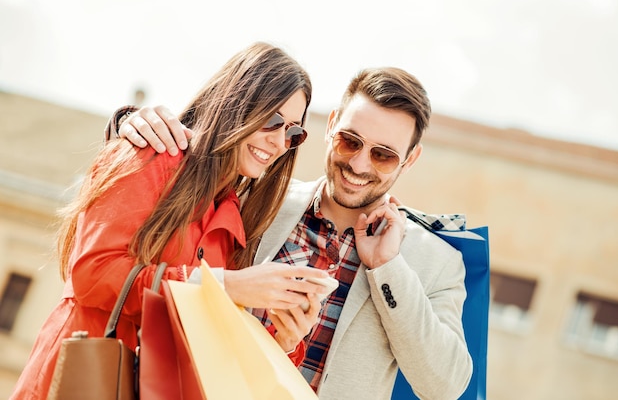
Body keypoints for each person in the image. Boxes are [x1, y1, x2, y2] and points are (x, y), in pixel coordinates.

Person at [110, 67, 473, 399]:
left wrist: (388, 267)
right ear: (331, 125)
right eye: (350, 140)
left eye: (383, 155)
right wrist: (129, 124)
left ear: (409, 160)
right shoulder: (256, 198)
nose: (359, 164)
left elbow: (444, 386)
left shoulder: (436, 261)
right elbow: (181, 182)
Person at [11, 42, 332, 400]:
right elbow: (92, 273)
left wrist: (287, 341)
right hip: (80, 383)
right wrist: (222, 286)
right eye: (272, 121)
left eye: (292, 133)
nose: (277, 142)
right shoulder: (153, 153)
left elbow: (210, 345)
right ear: (236, 103)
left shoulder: (234, 221)